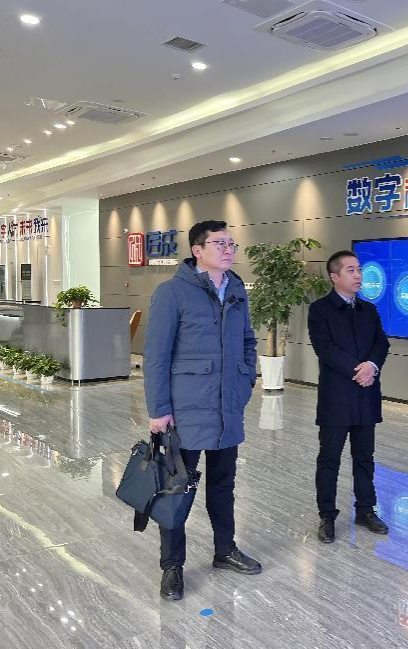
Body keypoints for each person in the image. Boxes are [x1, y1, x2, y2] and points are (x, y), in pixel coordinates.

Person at [144, 220, 261, 601]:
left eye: (232, 244)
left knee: (223, 485)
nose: (229, 250)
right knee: (176, 490)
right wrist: (159, 409)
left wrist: (245, 380)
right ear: (198, 250)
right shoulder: (172, 292)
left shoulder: (237, 288)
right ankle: (172, 567)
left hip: (227, 407)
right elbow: (156, 356)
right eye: (220, 243)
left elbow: (247, 340)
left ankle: (225, 550)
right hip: (186, 409)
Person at [308, 250, 391, 544]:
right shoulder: (320, 310)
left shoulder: (369, 310)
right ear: (335, 277)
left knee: (364, 457)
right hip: (336, 397)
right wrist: (358, 370)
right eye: (351, 270)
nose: (359, 275)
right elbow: (325, 349)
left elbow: (381, 343)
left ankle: (366, 510)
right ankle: (327, 515)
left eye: (359, 270)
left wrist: (372, 366)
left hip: (366, 395)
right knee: (329, 459)